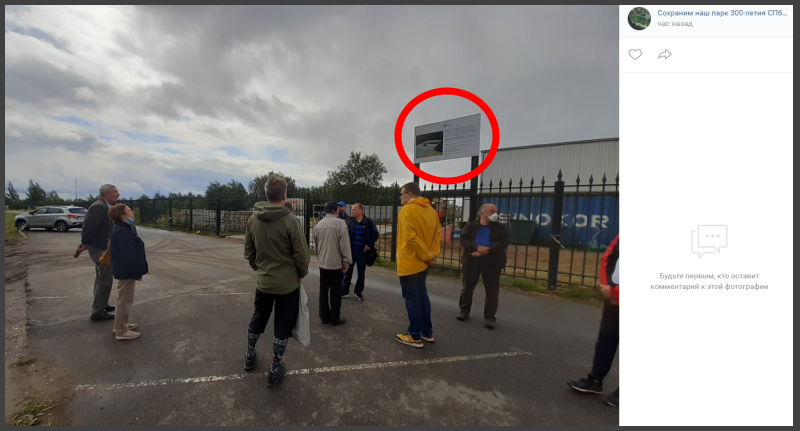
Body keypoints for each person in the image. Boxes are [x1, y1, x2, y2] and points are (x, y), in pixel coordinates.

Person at [243, 175, 311, 387]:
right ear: (285, 195)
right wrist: (300, 274)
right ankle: (274, 368)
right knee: (282, 325)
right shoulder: (291, 221)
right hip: (287, 285)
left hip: (264, 282)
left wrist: (260, 269)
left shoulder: (253, 219)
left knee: (258, 317)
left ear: (266, 195)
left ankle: (249, 355)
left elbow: (249, 252)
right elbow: (302, 255)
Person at [568, 234, 619, 408]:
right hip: (614, 299)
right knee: (606, 339)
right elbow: (608, 258)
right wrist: (606, 286)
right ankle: (595, 381)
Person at [394, 182, 441, 348]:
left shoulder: (407, 210)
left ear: (409, 194)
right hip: (425, 262)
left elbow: (410, 238)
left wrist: (427, 255)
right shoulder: (431, 211)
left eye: (401, 194)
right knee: (422, 295)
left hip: (410, 261)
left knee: (412, 298)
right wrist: (432, 256)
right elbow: (437, 235)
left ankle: (414, 335)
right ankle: (427, 332)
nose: (400, 197)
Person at [457, 203, 510, 329]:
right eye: (492, 211)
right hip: (472, 261)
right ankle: (464, 311)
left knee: (492, 291)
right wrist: (476, 247)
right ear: (482, 213)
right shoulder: (470, 226)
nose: (495, 214)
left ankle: (490, 317)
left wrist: (487, 249)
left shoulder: (500, 227)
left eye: (496, 212)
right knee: (467, 288)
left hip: (492, 262)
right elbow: (463, 239)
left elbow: (504, 242)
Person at [78, 184, 120, 322]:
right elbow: (88, 227)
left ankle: (102, 304)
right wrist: (85, 243)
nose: (118, 194)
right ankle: (98, 311)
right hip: (100, 248)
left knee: (101, 277)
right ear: (106, 194)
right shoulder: (99, 207)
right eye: (115, 192)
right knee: (105, 279)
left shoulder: (104, 206)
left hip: (102, 246)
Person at [108, 204, 148, 340]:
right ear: (122, 215)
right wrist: (136, 272)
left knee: (125, 299)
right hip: (126, 270)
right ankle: (121, 331)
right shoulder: (122, 231)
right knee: (124, 300)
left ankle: (121, 325)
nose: (133, 212)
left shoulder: (123, 228)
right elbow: (128, 254)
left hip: (125, 269)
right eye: (129, 211)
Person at [314, 201, 352, 325]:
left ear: (325, 212)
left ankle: (324, 316)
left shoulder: (318, 225)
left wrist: (320, 258)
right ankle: (334, 318)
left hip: (323, 263)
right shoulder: (340, 224)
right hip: (336, 264)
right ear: (336, 212)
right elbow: (344, 246)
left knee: (323, 289)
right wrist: (346, 263)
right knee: (335, 291)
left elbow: (317, 246)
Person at [341, 203, 379, 301]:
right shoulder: (350, 222)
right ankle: (345, 291)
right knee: (348, 272)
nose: (352, 211)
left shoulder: (368, 222)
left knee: (361, 273)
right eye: (352, 210)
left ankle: (358, 292)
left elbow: (375, 234)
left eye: (355, 210)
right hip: (351, 251)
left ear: (361, 210)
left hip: (362, 252)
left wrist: (369, 245)